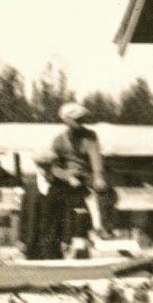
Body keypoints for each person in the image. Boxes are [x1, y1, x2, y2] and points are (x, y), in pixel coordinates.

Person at [50, 102, 109, 255]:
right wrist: (67, 176)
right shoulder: (59, 141)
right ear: (66, 121)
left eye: (81, 119)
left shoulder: (90, 136)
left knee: (102, 194)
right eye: (75, 120)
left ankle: (100, 229)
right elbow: (53, 166)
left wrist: (98, 177)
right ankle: (65, 239)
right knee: (64, 200)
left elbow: (95, 157)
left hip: (86, 175)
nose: (79, 123)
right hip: (67, 179)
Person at [18, 150, 71, 260]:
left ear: (52, 167)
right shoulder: (29, 187)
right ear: (36, 166)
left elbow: (67, 215)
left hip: (53, 240)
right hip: (32, 240)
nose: (44, 170)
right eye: (41, 166)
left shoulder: (61, 187)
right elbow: (24, 214)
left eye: (47, 166)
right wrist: (21, 239)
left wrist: (66, 239)